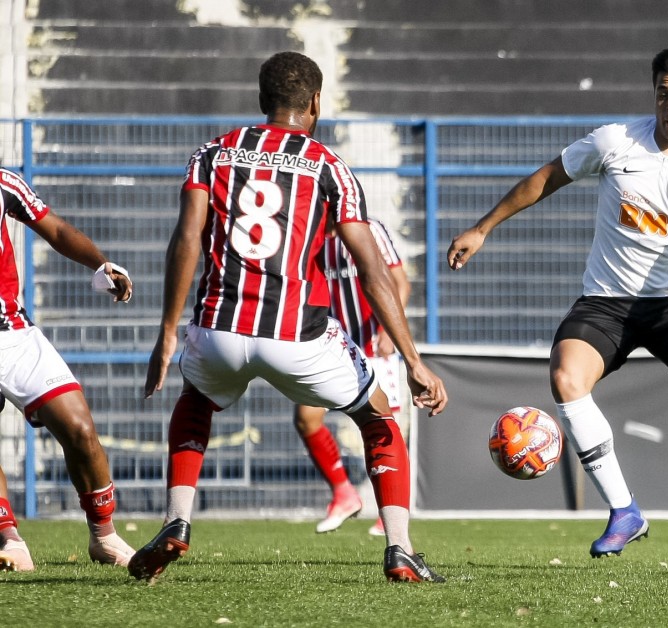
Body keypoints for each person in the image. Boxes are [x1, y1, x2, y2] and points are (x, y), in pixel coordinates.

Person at [447, 46, 668, 566]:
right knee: (566, 377)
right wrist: (481, 228)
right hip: (607, 302)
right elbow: (545, 178)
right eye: (663, 95)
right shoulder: (614, 141)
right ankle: (624, 511)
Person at [129, 51, 448, 584]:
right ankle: (400, 549)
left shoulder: (213, 153)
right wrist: (413, 358)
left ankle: (176, 520)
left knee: (195, 403)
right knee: (379, 418)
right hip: (297, 333)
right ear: (316, 103)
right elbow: (374, 270)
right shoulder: (330, 167)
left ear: (262, 101)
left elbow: (186, 239)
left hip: (218, 327)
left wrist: (167, 334)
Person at [0, 167, 136, 572]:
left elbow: (55, 229)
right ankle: (9, 538)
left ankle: (104, 535)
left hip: (15, 334)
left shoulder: (4, 183)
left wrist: (100, 263)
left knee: (79, 428)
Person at [294, 212, 411, 537]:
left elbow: (401, 283)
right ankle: (344, 494)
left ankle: (391, 513)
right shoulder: (313, 236)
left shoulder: (370, 229)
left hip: (375, 343)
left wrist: (390, 329)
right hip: (334, 345)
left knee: (385, 426)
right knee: (306, 417)